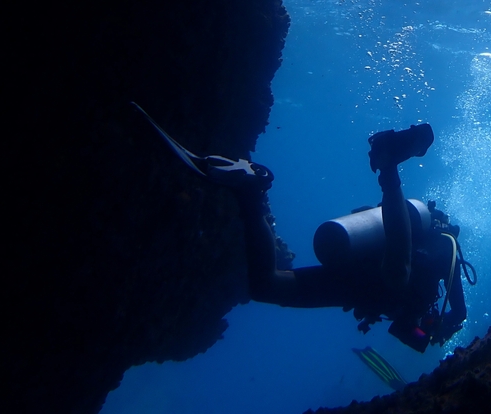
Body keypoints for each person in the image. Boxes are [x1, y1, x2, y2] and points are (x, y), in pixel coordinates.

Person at [132, 104, 471, 351]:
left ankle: (250, 190)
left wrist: (425, 332)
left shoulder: (428, 260)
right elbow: (459, 311)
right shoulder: (446, 246)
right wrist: (446, 329)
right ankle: (390, 166)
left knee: (267, 286)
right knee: (397, 275)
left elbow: (403, 328)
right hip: (381, 273)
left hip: (359, 284)